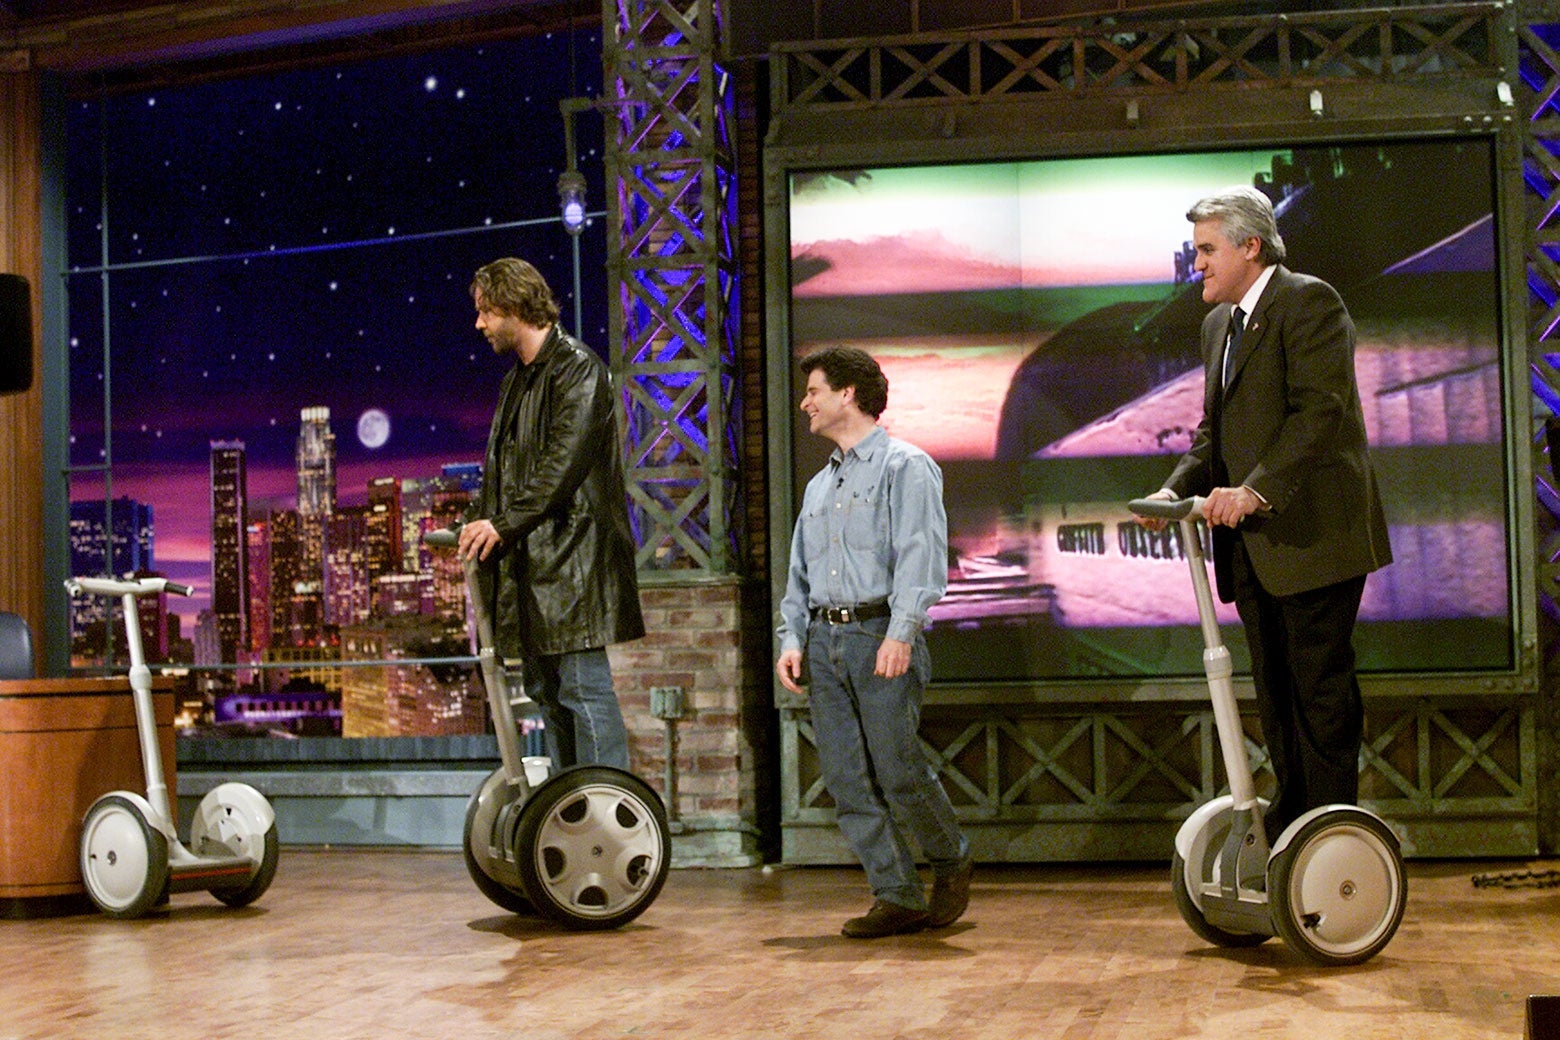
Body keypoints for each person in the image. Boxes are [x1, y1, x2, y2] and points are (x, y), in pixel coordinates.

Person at [1139, 186, 1392, 843]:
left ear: (1250, 246)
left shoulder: (1308, 302)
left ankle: (1334, 834)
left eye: (1206, 250)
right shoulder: (1217, 325)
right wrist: (1175, 490)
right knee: (1275, 694)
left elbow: (1319, 413)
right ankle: (1294, 816)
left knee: (1319, 691)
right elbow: (1211, 435)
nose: (1196, 264)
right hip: (1251, 547)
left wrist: (1254, 491)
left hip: (1315, 537)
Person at [776, 345, 972, 939]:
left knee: (897, 769)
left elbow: (921, 555)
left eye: (814, 391)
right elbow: (799, 574)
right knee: (845, 779)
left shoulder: (905, 466)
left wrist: (901, 631)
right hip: (823, 640)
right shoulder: (817, 487)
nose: (805, 402)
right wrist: (791, 637)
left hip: (877, 634)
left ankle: (950, 855)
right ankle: (896, 894)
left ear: (847, 395)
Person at [458, 257, 644, 771]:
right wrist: (476, 521)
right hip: (533, 570)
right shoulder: (515, 382)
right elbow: (503, 477)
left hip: (573, 569)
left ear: (515, 306)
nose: (480, 324)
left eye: (486, 312)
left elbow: (561, 467)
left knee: (584, 692)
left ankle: (607, 805)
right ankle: (571, 807)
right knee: (547, 694)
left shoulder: (579, 369)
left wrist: (499, 524)